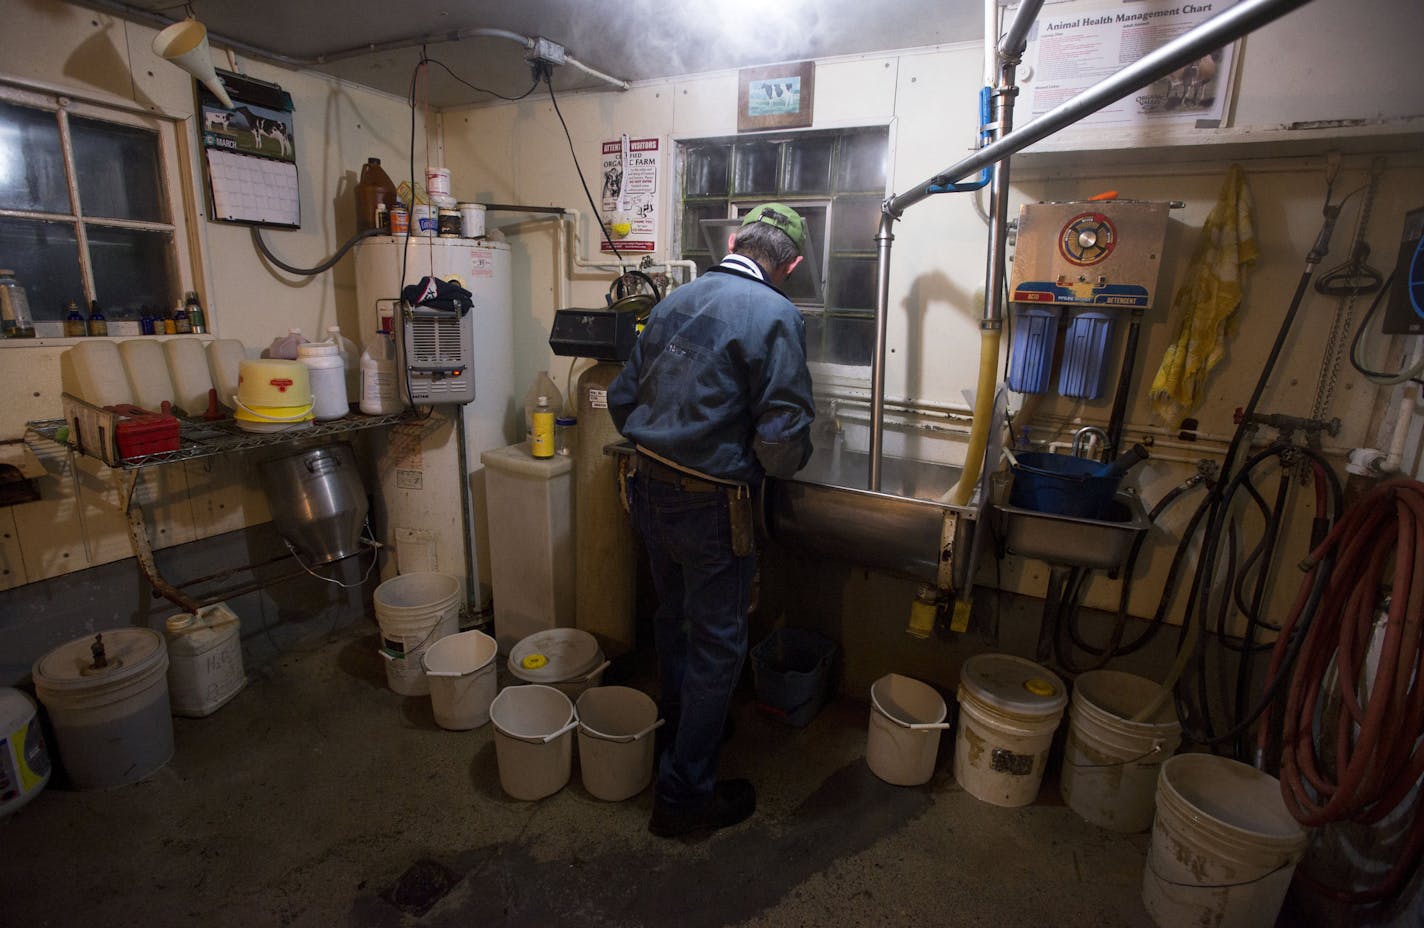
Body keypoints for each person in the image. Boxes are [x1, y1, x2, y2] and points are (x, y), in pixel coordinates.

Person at [608, 203, 816, 838]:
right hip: (709, 503)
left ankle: (684, 725)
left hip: (644, 486)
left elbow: (622, 398)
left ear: (732, 241)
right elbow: (782, 445)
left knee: (672, 618)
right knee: (719, 646)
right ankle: (683, 795)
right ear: (793, 264)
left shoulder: (675, 300)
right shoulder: (777, 314)